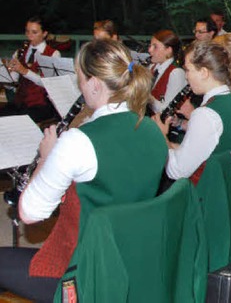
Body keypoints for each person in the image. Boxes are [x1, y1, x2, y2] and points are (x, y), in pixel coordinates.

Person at [0, 39, 168, 301]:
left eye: (78, 78)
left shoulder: (78, 141)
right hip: (135, 257)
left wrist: (46, 159)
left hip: (87, 270)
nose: (77, 86)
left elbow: (30, 213)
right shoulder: (153, 131)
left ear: (94, 84)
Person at [152, 40, 231, 270]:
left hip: (206, 201)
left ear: (204, 72)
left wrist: (161, 138)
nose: (186, 76)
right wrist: (175, 145)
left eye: (188, 70)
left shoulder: (206, 114)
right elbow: (208, 151)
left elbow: (177, 170)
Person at [1, 16, 60, 122]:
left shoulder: (53, 54)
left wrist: (24, 71)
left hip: (40, 105)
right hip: (20, 103)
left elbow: (48, 83)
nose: (29, 36)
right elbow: (14, 82)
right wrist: (7, 75)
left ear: (44, 33)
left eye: (34, 32)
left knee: (18, 121)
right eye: (27, 32)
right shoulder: (19, 52)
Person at [147, 29, 187, 114]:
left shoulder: (176, 73)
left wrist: (147, 97)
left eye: (155, 47)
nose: (150, 50)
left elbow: (166, 110)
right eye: (150, 45)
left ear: (168, 49)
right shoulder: (152, 67)